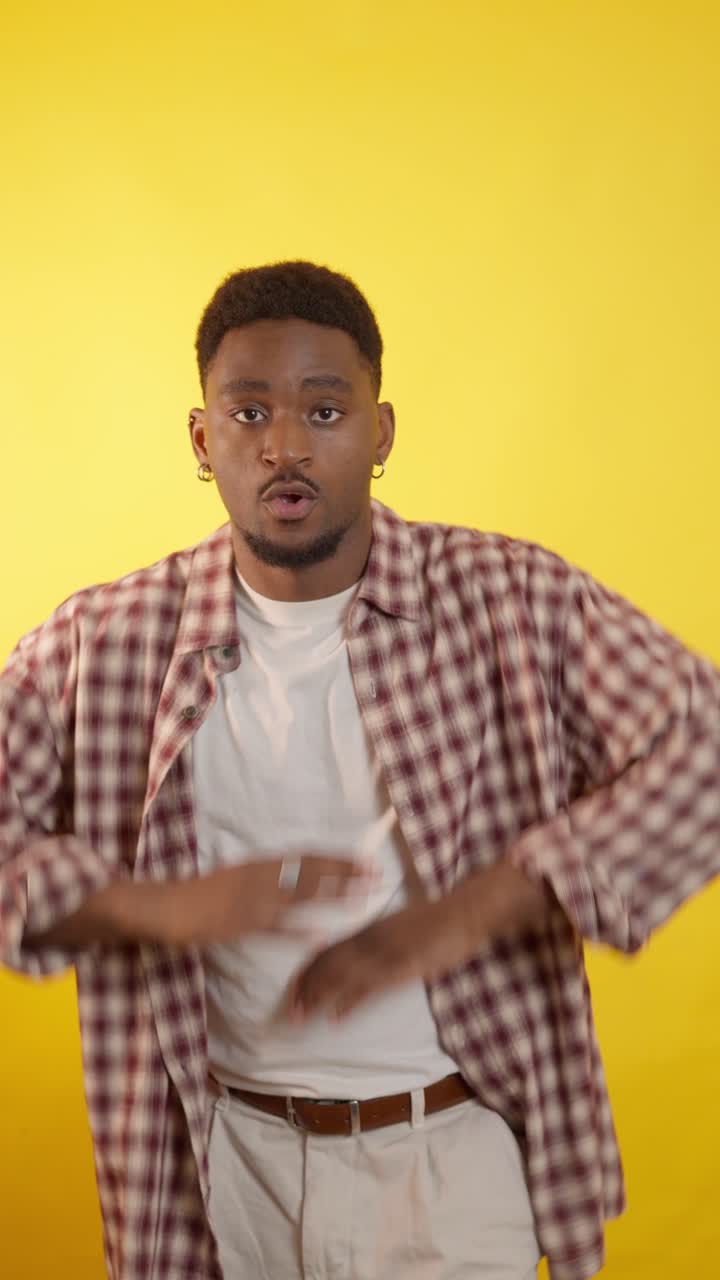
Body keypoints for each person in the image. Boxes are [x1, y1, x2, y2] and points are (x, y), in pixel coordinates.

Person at [1, 261, 717, 1280]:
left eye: (324, 409)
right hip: (219, 1169)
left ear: (379, 432)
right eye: (249, 413)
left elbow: (707, 740)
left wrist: (477, 906)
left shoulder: (514, 600)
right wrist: (147, 906)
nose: (286, 446)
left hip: (450, 1160)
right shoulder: (103, 642)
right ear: (204, 441)